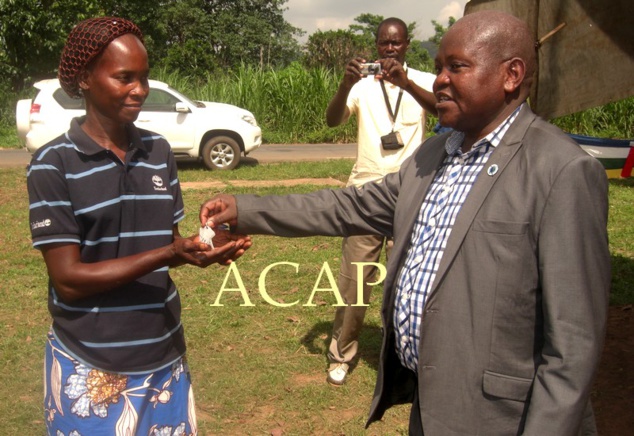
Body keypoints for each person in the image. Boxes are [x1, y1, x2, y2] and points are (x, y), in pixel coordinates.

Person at [199, 10, 611, 435]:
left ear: (512, 75)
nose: (440, 81)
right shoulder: (433, 156)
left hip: (502, 419)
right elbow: (345, 208)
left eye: (457, 67)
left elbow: (572, 349)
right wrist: (245, 209)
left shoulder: (561, 171)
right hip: (432, 408)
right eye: (437, 69)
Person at [27, 17, 250, 434]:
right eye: (125, 77)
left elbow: (164, 243)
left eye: (145, 77)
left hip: (163, 357)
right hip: (91, 364)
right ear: (86, 79)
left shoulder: (158, 152)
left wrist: (204, 247)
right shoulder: (54, 165)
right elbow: (69, 279)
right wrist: (169, 253)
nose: (140, 90)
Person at [323, 17, 437, 385]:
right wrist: (345, 84)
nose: (390, 49)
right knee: (355, 281)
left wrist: (406, 83)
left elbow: (441, 109)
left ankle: (407, 356)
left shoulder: (423, 80)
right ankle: (341, 353)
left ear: (407, 44)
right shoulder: (362, 86)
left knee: (409, 282)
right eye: (383, 43)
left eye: (396, 43)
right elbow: (332, 120)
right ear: (376, 45)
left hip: (411, 192)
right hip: (366, 194)